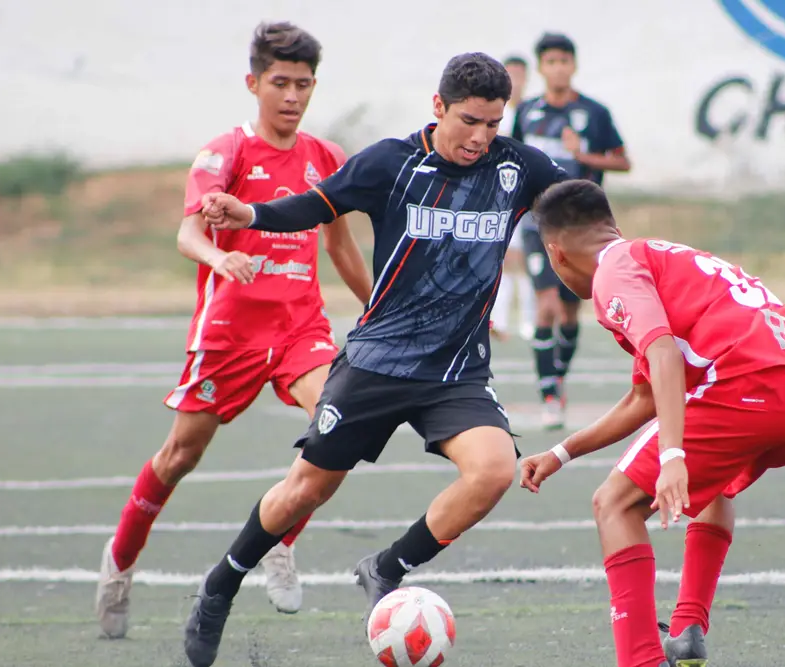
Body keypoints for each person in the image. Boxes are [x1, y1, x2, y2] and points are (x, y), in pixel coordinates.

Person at [180, 52, 569, 667]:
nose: (481, 137)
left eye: (494, 124)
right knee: (306, 491)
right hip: (376, 362)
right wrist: (249, 213)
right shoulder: (392, 163)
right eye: (470, 121)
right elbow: (314, 205)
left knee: (494, 471)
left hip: (455, 371)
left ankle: (385, 568)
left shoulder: (517, 166)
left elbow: (578, 205)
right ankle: (220, 585)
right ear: (438, 107)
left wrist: (619, 252)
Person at [93, 21, 373, 639]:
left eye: (303, 84)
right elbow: (188, 230)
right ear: (254, 83)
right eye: (280, 83)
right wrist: (219, 257)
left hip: (301, 328)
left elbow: (343, 248)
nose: (292, 96)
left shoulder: (324, 159)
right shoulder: (229, 152)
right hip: (230, 335)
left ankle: (280, 540)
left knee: (341, 425)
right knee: (179, 457)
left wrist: (380, 306)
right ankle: (120, 563)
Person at [518, 180, 785, 667]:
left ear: (555, 254)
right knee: (718, 483)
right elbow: (644, 397)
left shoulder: (614, 274)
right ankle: (688, 629)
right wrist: (562, 452)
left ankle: (641, 661)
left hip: (752, 385)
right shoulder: (657, 258)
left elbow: (663, 355)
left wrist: (672, 457)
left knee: (615, 504)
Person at [512, 32, 631, 430]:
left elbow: (622, 161)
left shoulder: (594, 113)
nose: (558, 68)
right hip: (537, 221)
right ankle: (549, 394)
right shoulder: (527, 111)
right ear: (541, 68)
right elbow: (512, 161)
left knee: (568, 310)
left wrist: (583, 155)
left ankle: (557, 372)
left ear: (573, 66)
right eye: (550, 62)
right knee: (545, 306)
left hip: (580, 226)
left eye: (564, 61)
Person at [490, 54, 537, 342]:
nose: (515, 81)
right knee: (505, 257)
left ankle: (530, 321)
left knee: (530, 258)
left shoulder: (533, 113)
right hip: (501, 196)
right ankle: (502, 321)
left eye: (520, 75)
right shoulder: (497, 114)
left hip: (530, 196)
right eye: (510, 75)